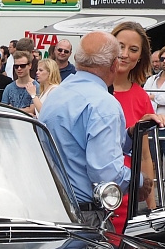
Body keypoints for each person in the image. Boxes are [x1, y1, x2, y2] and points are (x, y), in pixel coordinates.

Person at [38, 31, 142, 229]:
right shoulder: (103, 104)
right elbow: (106, 175)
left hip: (51, 208)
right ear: (113, 65)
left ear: (77, 60)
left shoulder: (57, 94)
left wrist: (129, 135)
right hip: (85, 215)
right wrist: (140, 180)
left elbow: (76, 143)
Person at [110, 21, 165, 228]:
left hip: (128, 194)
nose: (124, 54)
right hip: (92, 197)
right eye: (120, 46)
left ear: (140, 57)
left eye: (133, 50)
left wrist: (152, 208)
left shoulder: (141, 97)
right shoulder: (92, 89)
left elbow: (144, 155)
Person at [1, 50, 40, 115]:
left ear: (30, 66)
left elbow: (32, 110)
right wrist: (26, 109)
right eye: (16, 66)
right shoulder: (9, 88)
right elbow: (3, 110)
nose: (19, 69)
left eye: (22, 66)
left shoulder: (36, 87)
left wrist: (12, 109)